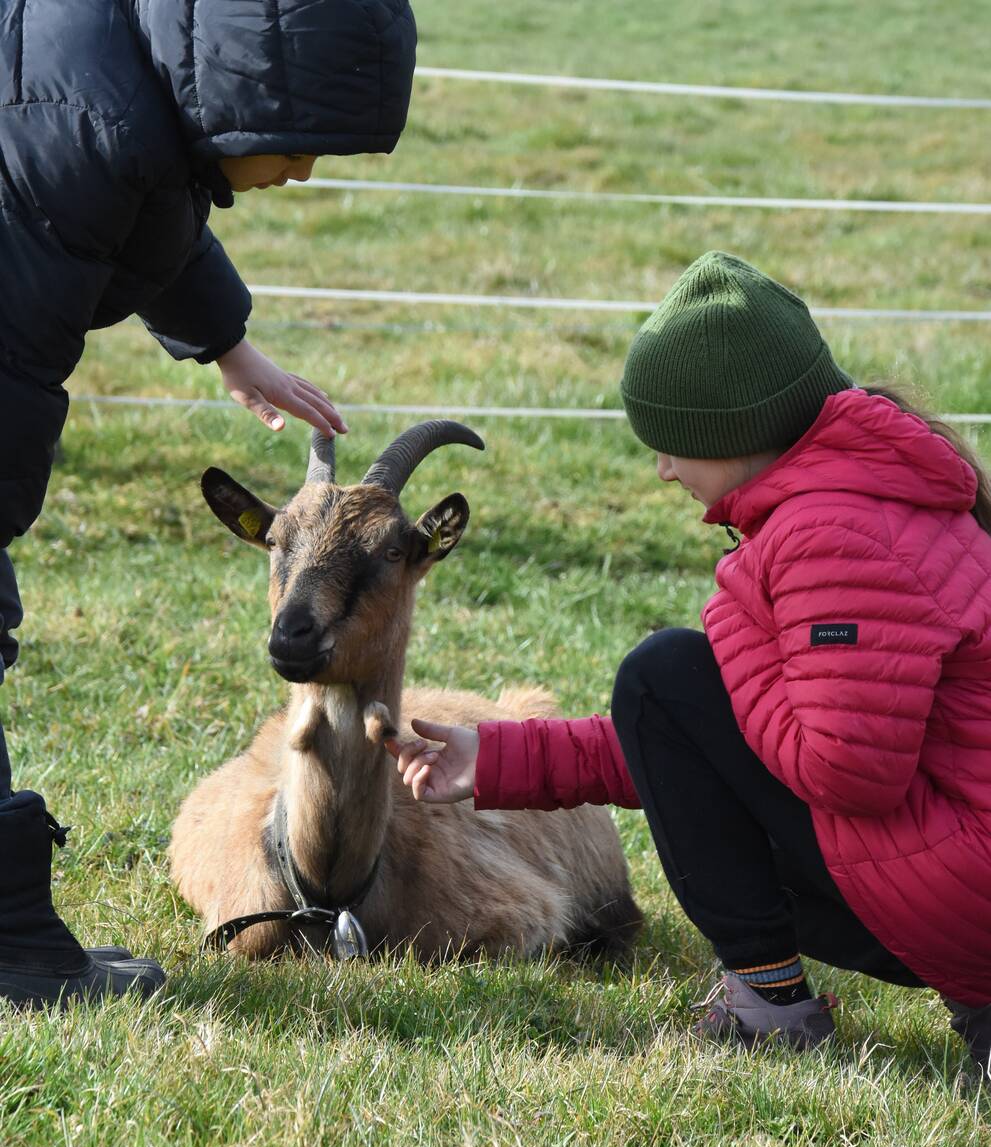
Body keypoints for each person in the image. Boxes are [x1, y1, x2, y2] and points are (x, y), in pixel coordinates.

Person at [388, 251, 991, 1078]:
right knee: (670, 687)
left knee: (664, 670)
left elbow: (845, 771)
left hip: (965, 891)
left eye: (674, 444)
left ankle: (772, 1007)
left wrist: (734, 628)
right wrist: (497, 758)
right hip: (961, 863)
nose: (664, 469)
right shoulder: (861, 497)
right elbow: (708, 748)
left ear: (734, 431)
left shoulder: (832, 534)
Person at [0, 0, 416, 1008]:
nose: (303, 173)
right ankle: (9, 949)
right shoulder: (94, 126)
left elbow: (147, 206)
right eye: (300, 146)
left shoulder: (118, 89)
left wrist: (226, 343)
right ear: (238, 90)